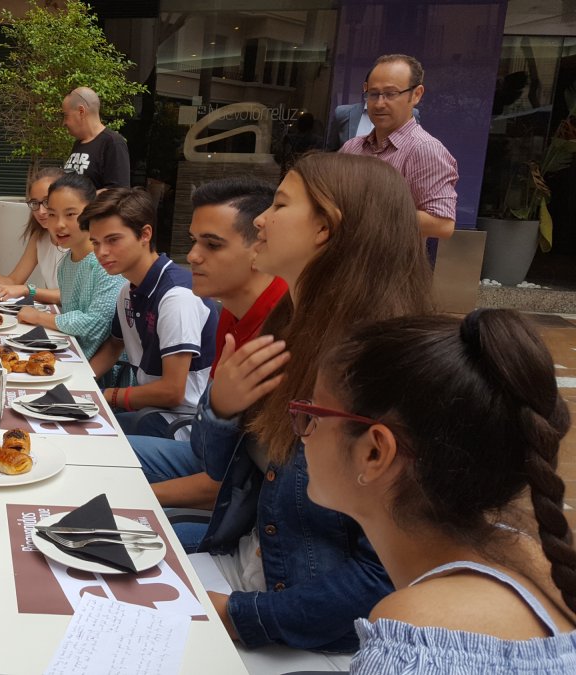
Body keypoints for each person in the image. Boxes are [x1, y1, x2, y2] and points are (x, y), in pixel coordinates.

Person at [194, 152, 434, 652]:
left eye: (280, 205)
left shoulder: (389, 374)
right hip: (239, 568)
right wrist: (221, 409)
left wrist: (238, 615)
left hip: (298, 629)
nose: (261, 219)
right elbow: (219, 469)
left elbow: (386, 577)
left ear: (326, 229)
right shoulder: (288, 329)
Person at [305, 309, 576, 672]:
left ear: (374, 453)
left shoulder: (414, 641)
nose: (302, 434)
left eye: (313, 415)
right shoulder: (529, 552)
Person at [128, 178, 287, 523]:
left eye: (212, 245)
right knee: (89, 456)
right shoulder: (230, 308)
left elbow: (227, 483)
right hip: (200, 455)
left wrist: (131, 498)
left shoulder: (280, 337)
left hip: (243, 512)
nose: (193, 256)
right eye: (194, 241)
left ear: (262, 247)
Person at [86, 187, 218, 439]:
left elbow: (172, 392)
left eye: (113, 240)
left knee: (82, 440)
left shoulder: (177, 297)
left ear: (145, 234)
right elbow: (114, 346)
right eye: (95, 242)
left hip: (182, 425)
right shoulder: (127, 290)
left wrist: (105, 396)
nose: (101, 252)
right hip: (150, 412)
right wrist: (83, 383)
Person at [340, 54, 457, 243]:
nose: (379, 103)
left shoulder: (424, 149)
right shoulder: (352, 147)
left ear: (416, 94)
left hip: (391, 262)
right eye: (373, 94)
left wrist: (367, 214)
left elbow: (442, 224)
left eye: (391, 94)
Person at [17, 173, 124, 356]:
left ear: (91, 213)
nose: (59, 224)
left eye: (70, 214)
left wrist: (39, 317)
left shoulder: (106, 263)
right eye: (52, 214)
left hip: (101, 368)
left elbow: (95, 324)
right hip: (72, 354)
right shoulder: (66, 263)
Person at [0, 167, 65, 306]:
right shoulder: (40, 237)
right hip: (55, 313)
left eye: (47, 202)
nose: (41, 211)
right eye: (35, 203)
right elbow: (15, 280)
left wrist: (28, 290)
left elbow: (74, 295)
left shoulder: (81, 238)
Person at [61, 87, 131, 190]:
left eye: (66, 116)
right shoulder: (78, 143)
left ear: (81, 111)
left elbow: (119, 190)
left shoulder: (113, 143)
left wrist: (79, 198)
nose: (64, 123)